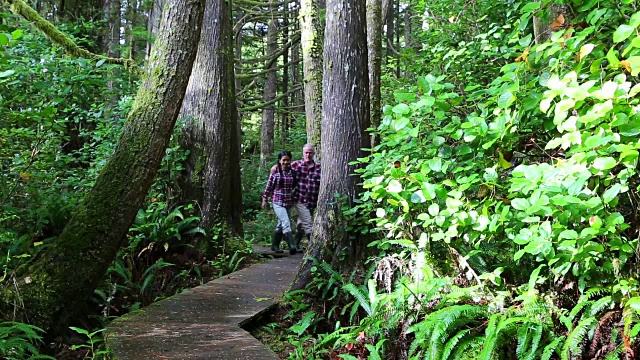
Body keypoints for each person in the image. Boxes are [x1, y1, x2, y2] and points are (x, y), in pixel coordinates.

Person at [272, 144, 321, 249]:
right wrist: (275, 166)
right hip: (298, 198)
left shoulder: (318, 168)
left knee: (302, 224)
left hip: (311, 201)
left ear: (314, 153)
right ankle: (279, 245)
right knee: (291, 222)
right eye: (306, 152)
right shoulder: (296, 165)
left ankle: (295, 244)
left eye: (310, 152)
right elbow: (283, 165)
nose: (308, 154)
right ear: (303, 153)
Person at [262, 150, 298, 255]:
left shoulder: (293, 172)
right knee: (286, 222)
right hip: (277, 202)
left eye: (288, 160)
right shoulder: (275, 172)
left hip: (288, 202)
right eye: (284, 160)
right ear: (279, 160)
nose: (286, 162)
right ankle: (292, 245)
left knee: (280, 224)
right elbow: (268, 187)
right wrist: (264, 199)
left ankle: (275, 245)